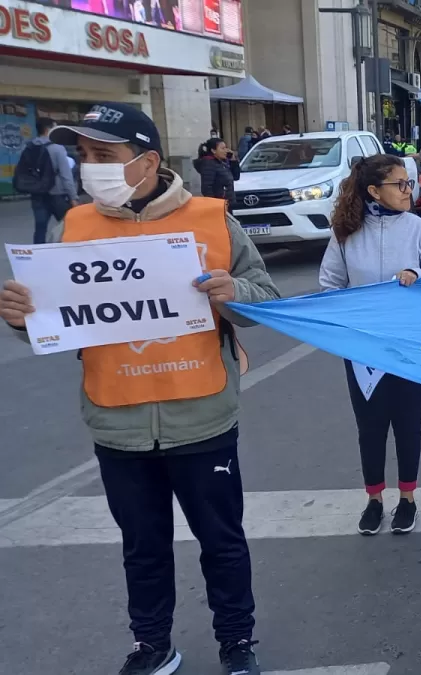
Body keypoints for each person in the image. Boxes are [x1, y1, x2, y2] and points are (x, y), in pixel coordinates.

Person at [1, 102, 279, 675]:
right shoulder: (74, 226)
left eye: (104, 154)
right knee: (142, 547)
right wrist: (21, 318)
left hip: (202, 416)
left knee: (222, 541)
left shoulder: (212, 220)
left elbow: (267, 300)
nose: (89, 166)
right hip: (117, 421)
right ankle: (152, 644)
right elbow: (56, 322)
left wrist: (236, 293)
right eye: (84, 154)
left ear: (148, 161)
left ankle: (237, 640)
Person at [318, 154, 421, 536]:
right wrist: (349, 321)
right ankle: (374, 500)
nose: (409, 190)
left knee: (408, 424)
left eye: (410, 183)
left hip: (408, 344)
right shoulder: (345, 233)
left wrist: (417, 274)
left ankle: (407, 498)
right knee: (370, 427)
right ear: (374, 190)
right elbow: (330, 284)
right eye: (400, 184)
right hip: (363, 349)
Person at [13, 117, 77, 244]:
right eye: (55, 127)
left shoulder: (29, 146)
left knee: (40, 229)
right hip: (57, 194)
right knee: (69, 225)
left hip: (37, 194)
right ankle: (69, 250)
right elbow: (66, 176)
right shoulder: (57, 148)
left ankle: (39, 253)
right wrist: (73, 197)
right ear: (48, 130)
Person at [195, 137, 241, 207]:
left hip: (228, 203)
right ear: (213, 150)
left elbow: (236, 177)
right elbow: (206, 187)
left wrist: (233, 161)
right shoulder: (209, 164)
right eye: (222, 148)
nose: (226, 151)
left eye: (226, 148)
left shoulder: (222, 163)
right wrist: (215, 204)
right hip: (219, 205)